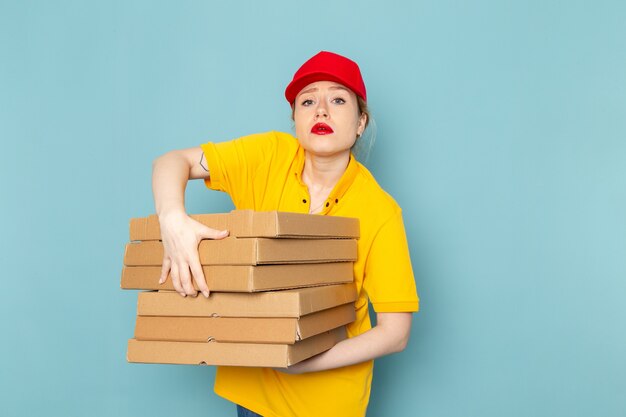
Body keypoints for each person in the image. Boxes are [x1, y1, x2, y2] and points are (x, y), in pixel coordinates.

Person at [152, 51, 419, 417]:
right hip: (252, 398)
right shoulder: (269, 156)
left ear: (360, 122)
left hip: (326, 404)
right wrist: (172, 221)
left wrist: (304, 362)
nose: (321, 110)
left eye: (338, 99)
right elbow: (171, 162)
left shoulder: (380, 210)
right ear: (295, 119)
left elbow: (396, 332)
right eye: (307, 100)